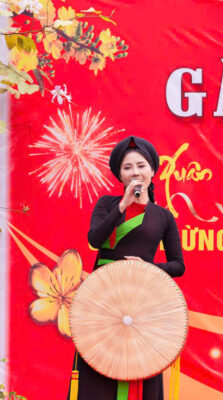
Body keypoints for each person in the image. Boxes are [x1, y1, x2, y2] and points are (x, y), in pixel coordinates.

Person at [68, 136, 185, 400]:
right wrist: (122, 205)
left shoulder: (164, 216)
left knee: (141, 362)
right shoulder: (107, 204)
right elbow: (95, 239)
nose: (135, 172)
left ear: (152, 171)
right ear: (119, 175)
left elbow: (179, 265)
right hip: (102, 297)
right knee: (99, 361)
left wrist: (149, 267)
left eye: (141, 166)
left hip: (142, 298)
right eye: (127, 167)